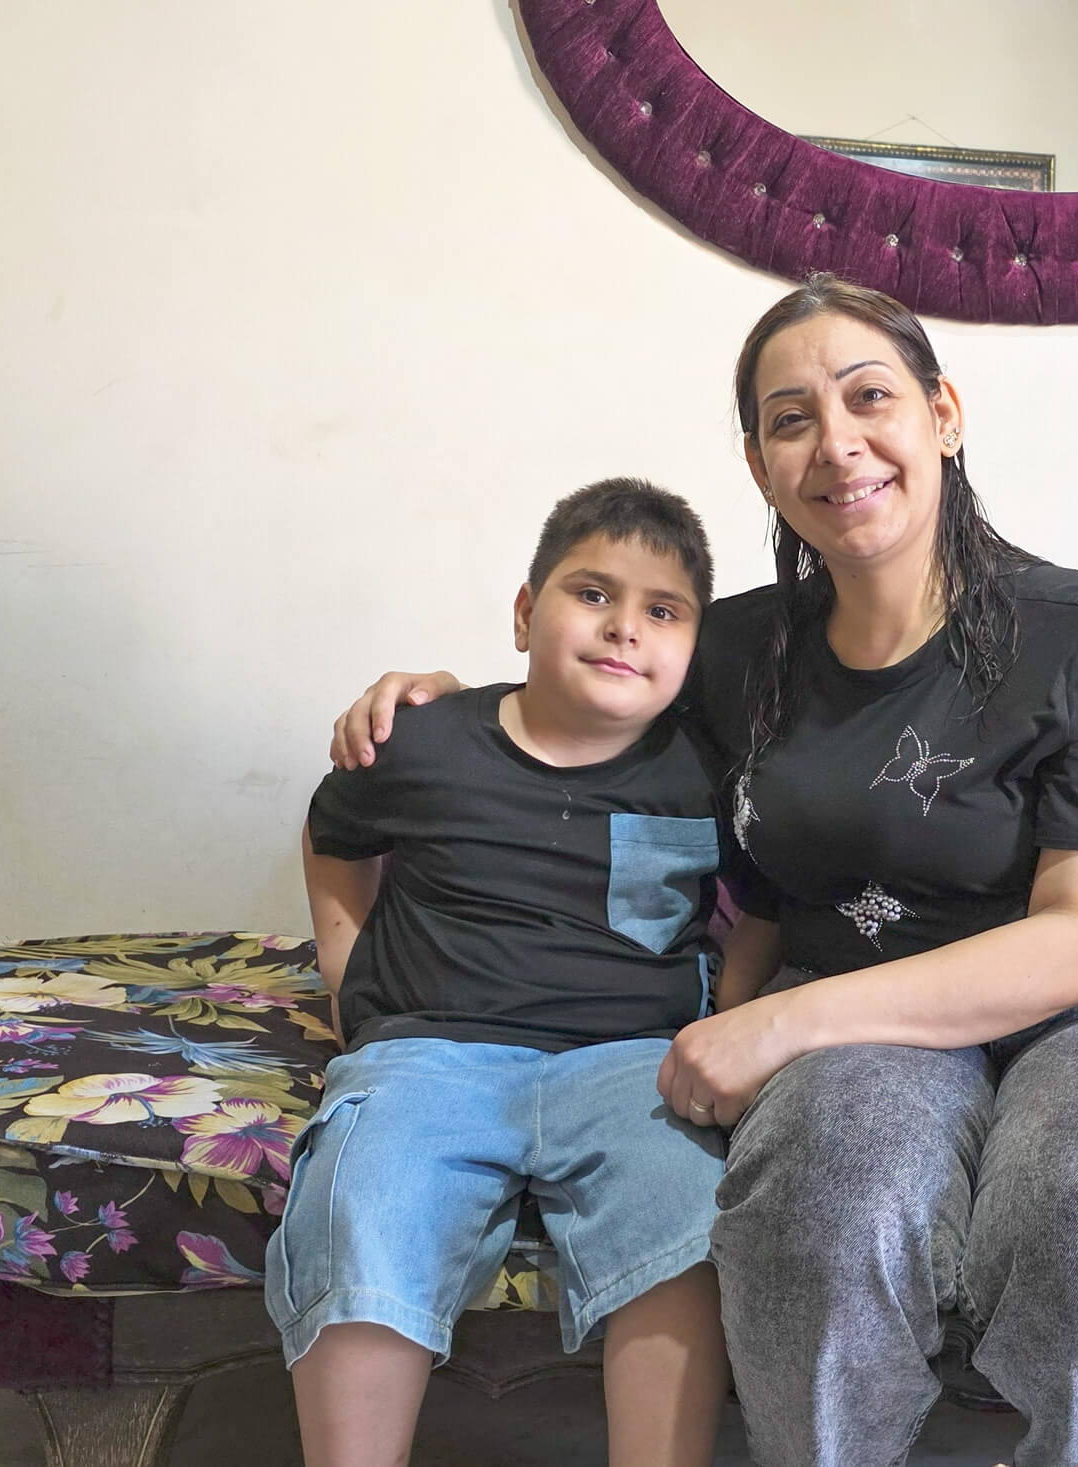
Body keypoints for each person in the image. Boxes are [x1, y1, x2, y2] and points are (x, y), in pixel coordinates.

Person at [330, 277, 1078, 1467]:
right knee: (821, 1201)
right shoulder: (732, 647)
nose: (836, 443)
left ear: (942, 413)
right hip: (858, 1016)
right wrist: (429, 705)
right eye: (790, 419)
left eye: (868, 396)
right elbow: (572, 711)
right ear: (759, 463)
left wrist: (774, 1025)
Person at [274, 478, 732, 1467]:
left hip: (632, 1065)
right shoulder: (427, 740)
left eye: (663, 612)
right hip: (429, 1056)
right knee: (360, 1203)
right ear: (525, 614)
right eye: (592, 594)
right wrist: (348, 968)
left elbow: (776, 906)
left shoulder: (711, 767)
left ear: (694, 651)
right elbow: (332, 829)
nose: (624, 630)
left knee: (689, 1222)